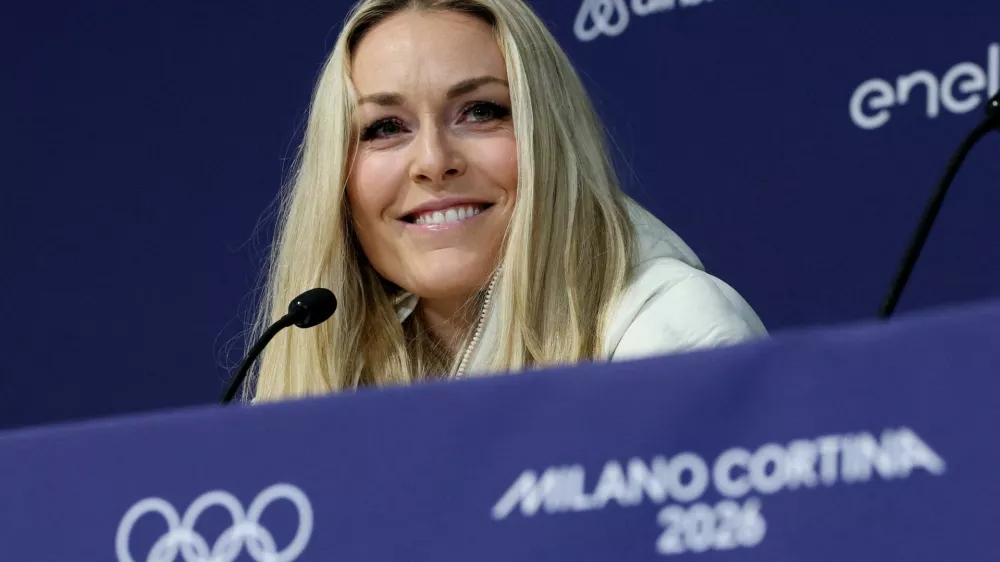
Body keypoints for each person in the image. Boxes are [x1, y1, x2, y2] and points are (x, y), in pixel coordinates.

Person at [248, 0, 766, 402]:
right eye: (385, 127)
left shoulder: (675, 334)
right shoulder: (337, 362)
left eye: (480, 111)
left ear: (549, 137)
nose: (432, 160)